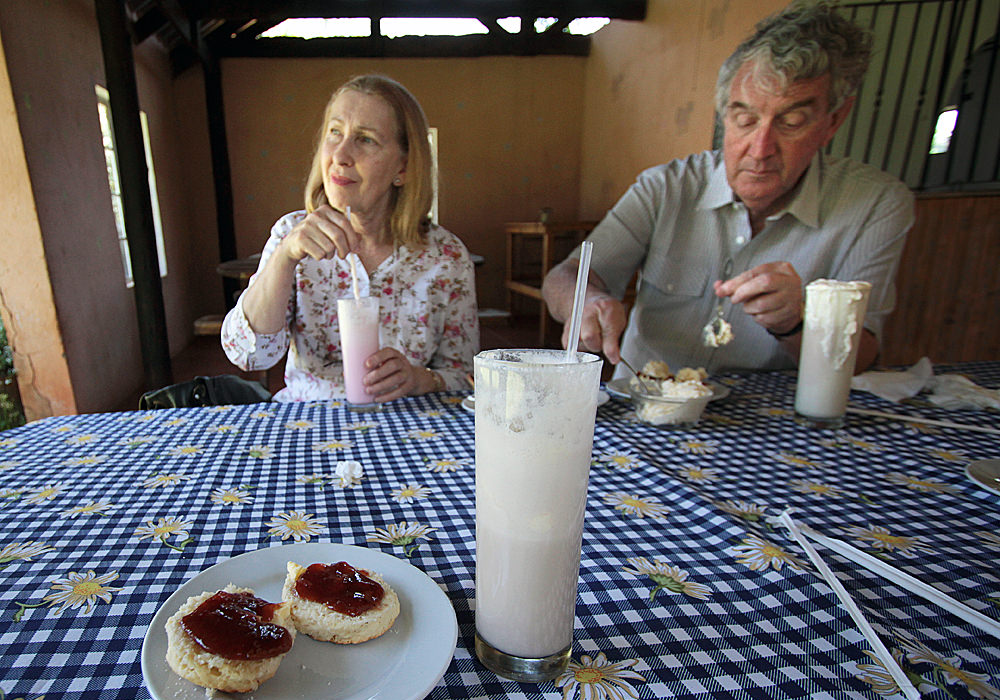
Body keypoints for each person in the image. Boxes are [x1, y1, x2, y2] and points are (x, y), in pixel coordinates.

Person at [542, 1, 914, 377]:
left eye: (792, 121)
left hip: (768, 419)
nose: (760, 148)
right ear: (724, 115)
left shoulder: (875, 204)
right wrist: (587, 300)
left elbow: (860, 358)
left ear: (833, 120)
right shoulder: (666, 187)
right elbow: (564, 277)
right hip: (647, 401)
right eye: (744, 119)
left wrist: (798, 322)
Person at [222, 74, 479, 402]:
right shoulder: (291, 235)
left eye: (366, 139)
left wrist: (421, 379)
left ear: (403, 166)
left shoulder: (446, 257)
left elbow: (469, 378)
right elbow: (247, 355)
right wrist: (284, 258)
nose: (340, 155)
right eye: (335, 132)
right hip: (309, 425)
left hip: (407, 432)